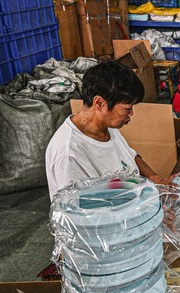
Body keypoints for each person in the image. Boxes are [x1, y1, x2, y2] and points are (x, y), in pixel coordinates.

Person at [46, 61, 170, 199]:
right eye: (127, 108)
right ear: (99, 103)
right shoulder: (69, 154)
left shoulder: (106, 126)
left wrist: (155, 179)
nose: (132, 114)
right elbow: (82, 211)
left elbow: (131, 156)